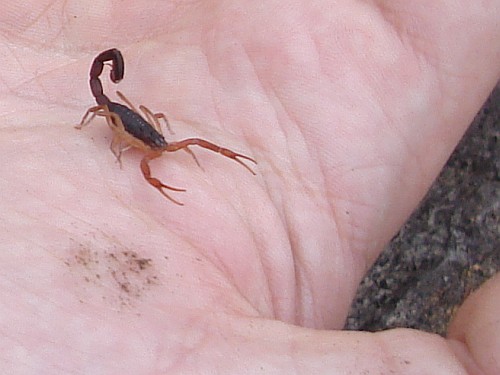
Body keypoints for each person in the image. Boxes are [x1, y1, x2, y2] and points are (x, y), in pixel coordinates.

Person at [0, 1, 498, 373]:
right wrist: (108, 121)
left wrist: (179, 143)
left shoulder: (160, 140)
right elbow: (115, 118)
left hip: (142, 123)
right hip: (124, 116)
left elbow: (166, 132)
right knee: (121, 118)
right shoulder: (122, 129)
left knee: (174, 139)